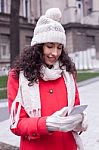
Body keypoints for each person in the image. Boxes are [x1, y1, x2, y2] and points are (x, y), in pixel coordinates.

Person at [7, 8, 87, 150]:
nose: (55, 53)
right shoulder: (18, 75)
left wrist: (79, 121)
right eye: (49, 46)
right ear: (38, 47)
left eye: (59, 47)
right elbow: (16, 124)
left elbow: (76, 109)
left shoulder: (67, 74)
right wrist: (47, 123)